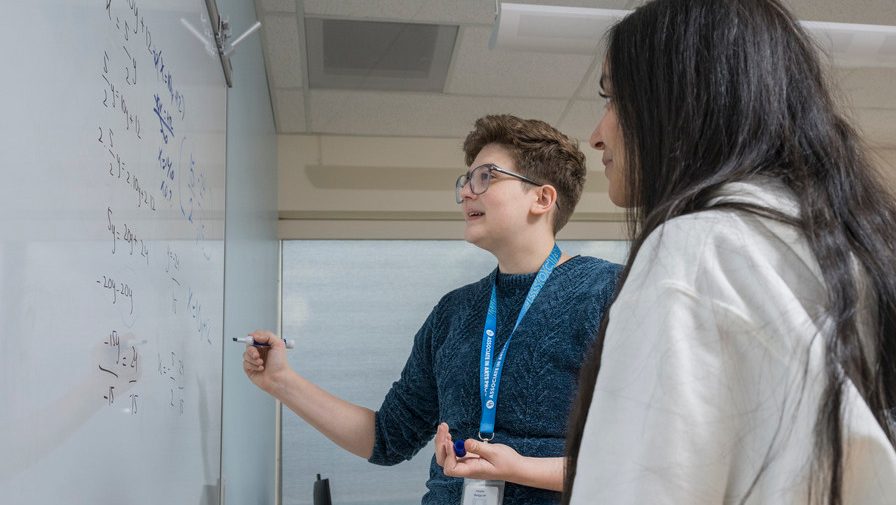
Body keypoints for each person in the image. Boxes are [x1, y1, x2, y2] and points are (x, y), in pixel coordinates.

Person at [562, 0, 896, 504]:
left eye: (613, 98)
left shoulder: (696, 253)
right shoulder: (856, 253)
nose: (596, 134)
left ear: (680, 102)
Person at [243, 114, 621, 504]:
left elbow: (636, 456)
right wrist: (281, 381)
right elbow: (388, 438)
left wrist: (517, 467)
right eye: (466, 181)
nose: (467, 193)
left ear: (542, 198)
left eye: (486, 177)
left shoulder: (607, 292)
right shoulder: (453, 313)